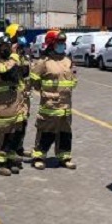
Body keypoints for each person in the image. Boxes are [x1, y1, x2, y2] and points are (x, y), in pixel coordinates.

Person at [30, 30, 77, 170]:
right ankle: (39, 157)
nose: (62, 45)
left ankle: (64, 157)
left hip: (65, 105)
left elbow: (72, 79)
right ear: (51, 44)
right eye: (59, 42)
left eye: (63, 42)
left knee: (65, 132)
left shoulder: (67, 61)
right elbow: (34, 80)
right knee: (46, 131)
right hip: (50, 104)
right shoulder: (44, 62)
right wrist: (46, 93)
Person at [0, 35, 25, 176]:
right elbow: (9, 73)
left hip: (15, 103)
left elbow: (22, 73)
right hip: (2, 106)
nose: (7, 49)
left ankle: (10, 160)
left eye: (8, 46)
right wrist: (15, 57)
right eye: (4, 47)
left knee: (13, 134)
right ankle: (0, 162)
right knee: (2, 134)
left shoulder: (9, 61)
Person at [5, 23, 31, 160]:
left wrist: (25, 57)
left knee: (23, 121)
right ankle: (10, 150)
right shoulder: (8, 53)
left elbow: (26, 72)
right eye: (19, 35)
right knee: (13, 124)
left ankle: (19, 148)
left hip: (23, 93)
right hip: (12, 94)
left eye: (22, 35)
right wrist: (14, 54)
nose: (22, 38)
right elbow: (10, 72)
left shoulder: (22, 52)